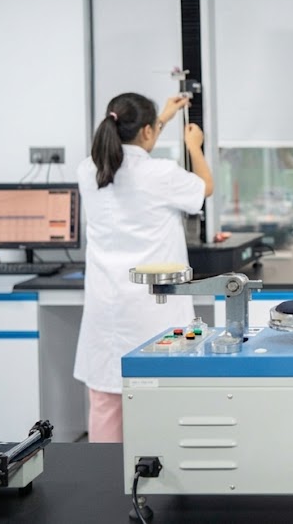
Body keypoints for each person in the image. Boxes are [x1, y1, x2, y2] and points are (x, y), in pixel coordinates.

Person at [74, 92, 214, 442]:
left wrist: (162, 118)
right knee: (160, 409)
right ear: (147, 132)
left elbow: (131, 148)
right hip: (155, 312)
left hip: (106, 310)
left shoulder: (88, 169)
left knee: (107, 407)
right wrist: (194, 145)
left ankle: (107, 492)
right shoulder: (161, 174)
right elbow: (205, 188)